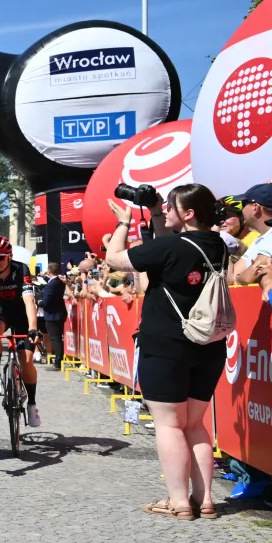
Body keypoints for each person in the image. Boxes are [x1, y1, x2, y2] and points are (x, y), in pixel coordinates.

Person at [105, 184, 227, 520]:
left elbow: (113, 259)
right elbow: (169, 247)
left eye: (171, 207)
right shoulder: (217, 244)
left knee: (169, 425)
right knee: (197, 424)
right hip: (208, 345)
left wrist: (124, 223)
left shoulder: (171, 247)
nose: (167, 211)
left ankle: (178, 501)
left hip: (165, 345)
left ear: (188, 214)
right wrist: (157, 213)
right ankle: (204, 500)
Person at [0, 236, 43, 428]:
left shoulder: (21, 269)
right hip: (2, 310)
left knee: (26, 361)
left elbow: (30, 301)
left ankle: (31, 404)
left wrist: (32, 328)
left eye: (1, 258)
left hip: (22, 313)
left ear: (10, 256)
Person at [39, 262, 68, 368]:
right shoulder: (58, 281)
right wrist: (45, 276)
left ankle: (58, 362)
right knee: (58, 337)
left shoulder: (51, 285)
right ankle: (59, 359)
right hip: (59, 313)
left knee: (55, 338)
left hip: (52, 315)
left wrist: (38, 302)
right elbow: (51, 280)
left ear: (49, 270)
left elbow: (46, 302)